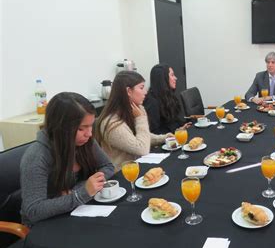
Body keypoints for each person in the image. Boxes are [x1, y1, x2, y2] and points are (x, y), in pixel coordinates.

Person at [20, 92, 114, 227]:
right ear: (61, 128)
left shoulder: (85, 141)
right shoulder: (36, 157)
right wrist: (81, 194)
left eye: (91, 126)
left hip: (76, 210)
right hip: (45, 225)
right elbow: (34, 211)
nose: (89, 134)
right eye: (82, 128)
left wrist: (79, 189)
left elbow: (108, 166)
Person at [96, 71, 171, 171]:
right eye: (141, 88)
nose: (145, 92)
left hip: (137, 166)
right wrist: (140, 119)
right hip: (122, 175)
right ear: (128, 91)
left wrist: (164, 138)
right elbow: (141, 149)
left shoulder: (135, 109)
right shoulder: (111, 123)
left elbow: (141, 138)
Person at [144, 64, 191, 134]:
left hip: (174, 136)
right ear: (163, 78)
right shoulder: (152, 102)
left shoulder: (168, 95)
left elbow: (173, 120)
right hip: (164, 141)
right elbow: (154, 132)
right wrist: (176, 131)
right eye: (172, 75)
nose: (176, 78)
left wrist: (183, 125)